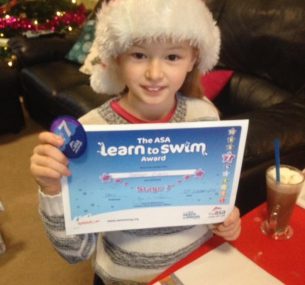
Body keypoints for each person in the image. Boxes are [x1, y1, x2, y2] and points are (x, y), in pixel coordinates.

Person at [30, 0, 241, 284]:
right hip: (124, 279)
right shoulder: (90, 132)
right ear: (118, 56)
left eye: (173, 57)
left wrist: (225, 218)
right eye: (139, 55)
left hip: (194, 269)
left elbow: (211, 202)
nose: (155, 74)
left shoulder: (204, 116)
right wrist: (52, 189)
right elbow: (76, 252)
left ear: (193, 59)